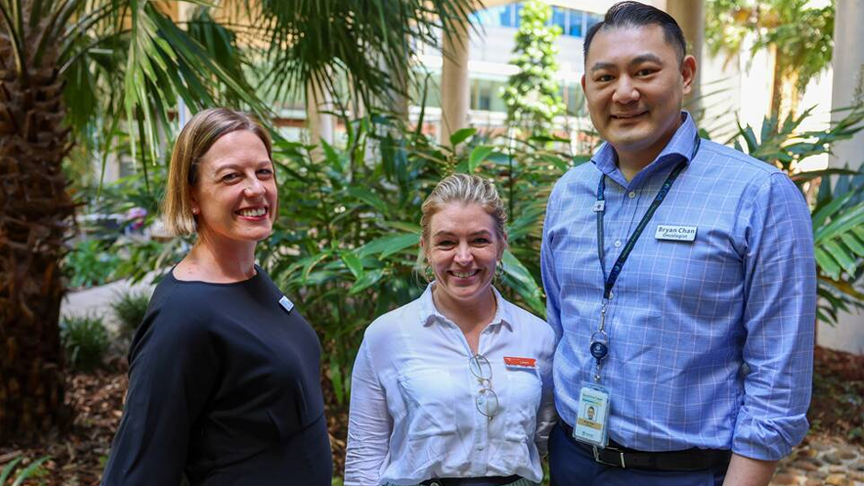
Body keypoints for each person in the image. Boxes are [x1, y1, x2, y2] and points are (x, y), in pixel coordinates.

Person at [540, 2, 816, 486]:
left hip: (686, 473)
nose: (624, 93)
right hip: (572, 460)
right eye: (605, 78)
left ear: (685, 74)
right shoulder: (570, 193)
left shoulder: (758, 194)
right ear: (586, 88)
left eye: (645, 71)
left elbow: (779, 374)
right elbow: (560, 323)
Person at [101, 108, 332, 486]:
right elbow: (137, 466)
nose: (255, 189)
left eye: (264, 172)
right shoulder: (183, 314)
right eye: (231, 177)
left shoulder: (252, 277)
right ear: (192, 195)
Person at [344, 174, 556, 486]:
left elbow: (541, 436)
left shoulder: (537, 336)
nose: (463, 257)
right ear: (426, 250)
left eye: (479, 240)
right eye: (446, 242)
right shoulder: (386, 335)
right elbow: (365, 456)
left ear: (501, 246)